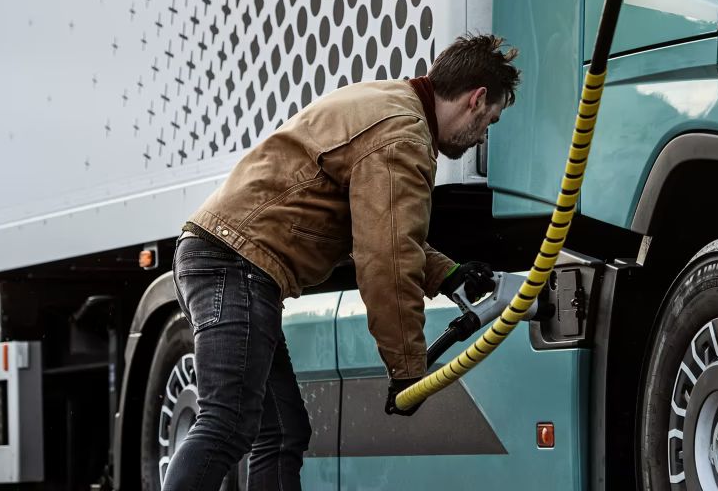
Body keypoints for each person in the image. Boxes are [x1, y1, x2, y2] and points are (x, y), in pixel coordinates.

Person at [162, 34, 521, 490]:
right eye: (490, 120)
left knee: (282, 431)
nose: (484, 135)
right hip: (235, 264)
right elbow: (386, 263)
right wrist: (408, 371)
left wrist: (447, 274)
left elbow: (379, 232)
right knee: (227, 422)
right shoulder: (403, 137)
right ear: (477, 99)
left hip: (230, 257)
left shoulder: (392, 103)